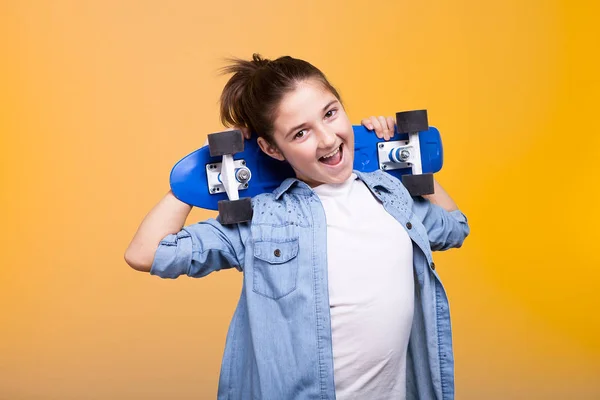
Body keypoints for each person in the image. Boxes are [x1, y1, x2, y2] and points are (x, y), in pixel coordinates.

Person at [124, 53, 470, 400]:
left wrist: (399, 160)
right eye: (301, 132)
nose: (328, 139)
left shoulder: (389, 193)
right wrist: (199, 172)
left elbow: (455, 227)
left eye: (330, 113)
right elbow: (146, 253)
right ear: (271, 149)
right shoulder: (263, 219)